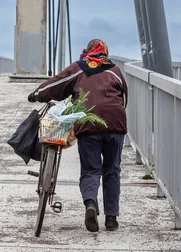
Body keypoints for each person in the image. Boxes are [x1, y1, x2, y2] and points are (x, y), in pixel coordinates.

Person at [27, 39, 128, 232]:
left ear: (88, 53)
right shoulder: (115, 70)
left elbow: (55, 84)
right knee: (112, 170)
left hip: (88, 123)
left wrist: (36, 94)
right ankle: (111, 218)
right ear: (105, 53)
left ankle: (90, 204)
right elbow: (124, 99)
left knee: (91, 170)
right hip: (115, 124)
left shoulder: (80, 68)